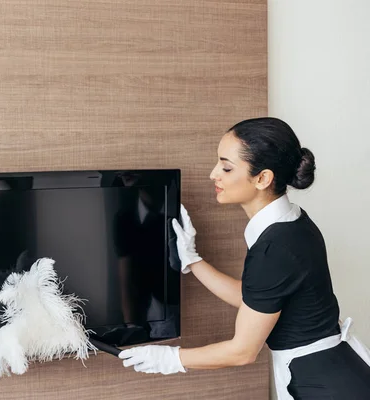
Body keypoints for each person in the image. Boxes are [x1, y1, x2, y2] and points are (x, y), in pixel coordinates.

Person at [118, 117, 370, 399]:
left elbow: (243, 351)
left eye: (226, 167)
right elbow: (255, 299)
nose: (214, 174)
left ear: (262, 178)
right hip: (339, 370)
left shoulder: (274, 247)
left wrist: (170, 359)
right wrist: (192, 260)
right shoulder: (293, 222)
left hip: (326, 387)